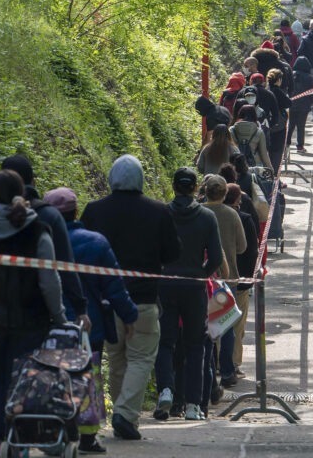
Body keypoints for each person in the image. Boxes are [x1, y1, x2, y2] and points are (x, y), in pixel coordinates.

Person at [81, 155, 181, 440]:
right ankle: (125, 414)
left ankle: (122, 415)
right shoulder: (159, 211)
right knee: (141, 358)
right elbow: (173, 253)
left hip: (106, 302)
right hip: (144, 300)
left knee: (117, 359)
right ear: (141, 180)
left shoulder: (94, 211)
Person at [0, 170, 66, 458]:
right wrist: (59, 315)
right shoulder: (37, 230)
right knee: (24, 381)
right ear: (21, 193)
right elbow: (49, 280)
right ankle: (19, 443)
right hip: (31, 320)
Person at [44, 187, 139, 454]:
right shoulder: (96, 242)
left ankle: (58, 430)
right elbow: (114, 285)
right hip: (88, 325)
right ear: (76, 211)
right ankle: (87, 438)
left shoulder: (41, 242)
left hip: (49, 322)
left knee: (53, 375)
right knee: (88, 377)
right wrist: (129, 315)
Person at [154, 168, 224, 421]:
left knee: (165, 342)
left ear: (173, 187)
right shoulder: (207, 217)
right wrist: (201, 273)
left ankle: (165, 389)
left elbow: (154, 251)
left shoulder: (162, 214)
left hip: (166, 284)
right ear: (196, 189)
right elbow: (216, 257)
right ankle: (193, 405)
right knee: (196, 346)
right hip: (195, 287)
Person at [0, 155, 90, 331]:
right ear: (33, 182)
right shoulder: (48, 216)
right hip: (35, 314)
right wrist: (79, 309)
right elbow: (64, 265)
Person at [218, 183, 258, 387]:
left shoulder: (203, 212)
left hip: (208, 278)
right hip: (236, 279)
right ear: (237, 200)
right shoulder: (241, 218)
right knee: (235, 324)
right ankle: (232, 365)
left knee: (213, 323)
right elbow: (248, 249)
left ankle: (216, 364)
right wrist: (249, 278)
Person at [230, 105, 272, 172]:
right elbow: (264, 154)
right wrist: (270, 169)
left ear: (240, 115)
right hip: (255, 167)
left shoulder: (231, 130)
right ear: (254, 116)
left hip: (235, 166)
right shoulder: (259, 132)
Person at [266, 68, 293, 172]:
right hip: (278, 125)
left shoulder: (266, 89)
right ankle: (275, 174)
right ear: (278, 79)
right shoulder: (277, 91)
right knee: (277, 151)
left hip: (267, 124)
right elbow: (288, 103)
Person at [288, 56, 313, 153]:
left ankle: (286, 144)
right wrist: (311, 103)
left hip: (291, 104)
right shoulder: (309, 77)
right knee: (301, 126)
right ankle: (300, 146)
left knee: (290, 125)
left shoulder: (291, 75)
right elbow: (312, 92)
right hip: (304, 105)